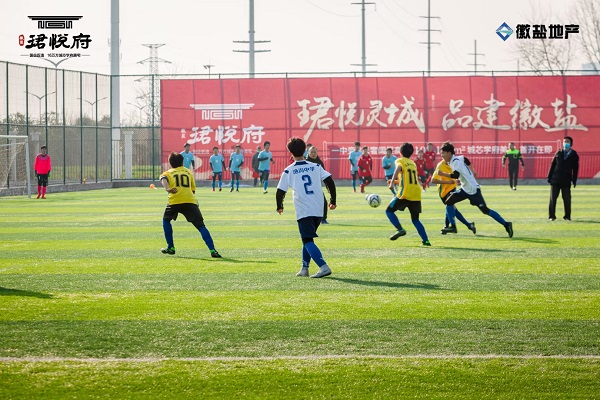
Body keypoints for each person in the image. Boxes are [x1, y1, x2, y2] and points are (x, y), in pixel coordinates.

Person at [276, 137, 337, 278]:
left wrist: (279, 206)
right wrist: (333, 200)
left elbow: (280, 191)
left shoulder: (289, 170)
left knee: (307, 240)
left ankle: (323, 266)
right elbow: (329, 181)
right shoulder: (316, 166)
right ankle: (304, 268)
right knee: (307, 238)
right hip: (318, 209)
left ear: (291, 153)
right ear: (305, 150)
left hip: (304, 209)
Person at [437, 142, 513, 237]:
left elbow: (455, 175)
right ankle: (452, 226)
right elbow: (465, 159)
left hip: (473, 190)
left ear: (449, 153)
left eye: (443, 153)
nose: (441, 155)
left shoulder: (455, 161)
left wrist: (443, 174)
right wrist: (471, 171)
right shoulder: (457, 159)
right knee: (449, 202)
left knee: (485, 210)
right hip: (465, 189)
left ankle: (506, 224)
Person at [159, 151, 222, 258]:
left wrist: (167, 188)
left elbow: (163, 179)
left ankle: (171, 247)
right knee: (201, 226)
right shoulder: (188, 172)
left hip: (174, 201)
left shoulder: (168, 172)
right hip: (189, 200)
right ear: (182, 162)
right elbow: (193, 190)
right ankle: (213, 250)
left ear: (170, 163)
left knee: (166, 220)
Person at [386, 142, 431, 246]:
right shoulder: (413, 163)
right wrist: (396, 181)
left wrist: (392, 183)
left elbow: (398, 169)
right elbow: (408, 180)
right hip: (416, 193)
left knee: (389, 211)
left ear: (400, 152)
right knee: (415, 219)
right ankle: (426, 240)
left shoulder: (400, 161)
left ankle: (400, 229)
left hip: (405, 193)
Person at [431, 157, 476, 235]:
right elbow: (433, 180)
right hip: (443, 192)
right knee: (452, 209)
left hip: (452, 189)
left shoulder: (454, 163)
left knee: (450, 206)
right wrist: (448, 182)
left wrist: (457, 180)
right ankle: (468, 225)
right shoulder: (440, 165)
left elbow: (456, 175)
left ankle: (449, 226)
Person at [547, 136, 579, 221]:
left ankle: (567, 216)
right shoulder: (558, 153)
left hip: (566, 180)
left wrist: (574, 179)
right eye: (564, 141)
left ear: (571, 143)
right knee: (553, 198)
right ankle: (552, 216)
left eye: (567, 142)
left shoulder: (574, 154)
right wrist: (549, 177)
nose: (565, 143)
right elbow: (552, 165)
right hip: (556, 179)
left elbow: (575, 168)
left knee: (567, 199)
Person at [305, 145, 329, 224]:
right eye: (311, 152)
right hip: (306, 189)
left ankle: (323, 219)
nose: (313, 154)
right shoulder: (305, 162)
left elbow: (324, 175)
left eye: (314, 152)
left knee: (323, 202)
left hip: (316, 187)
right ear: (308, 153)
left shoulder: (319, 163)